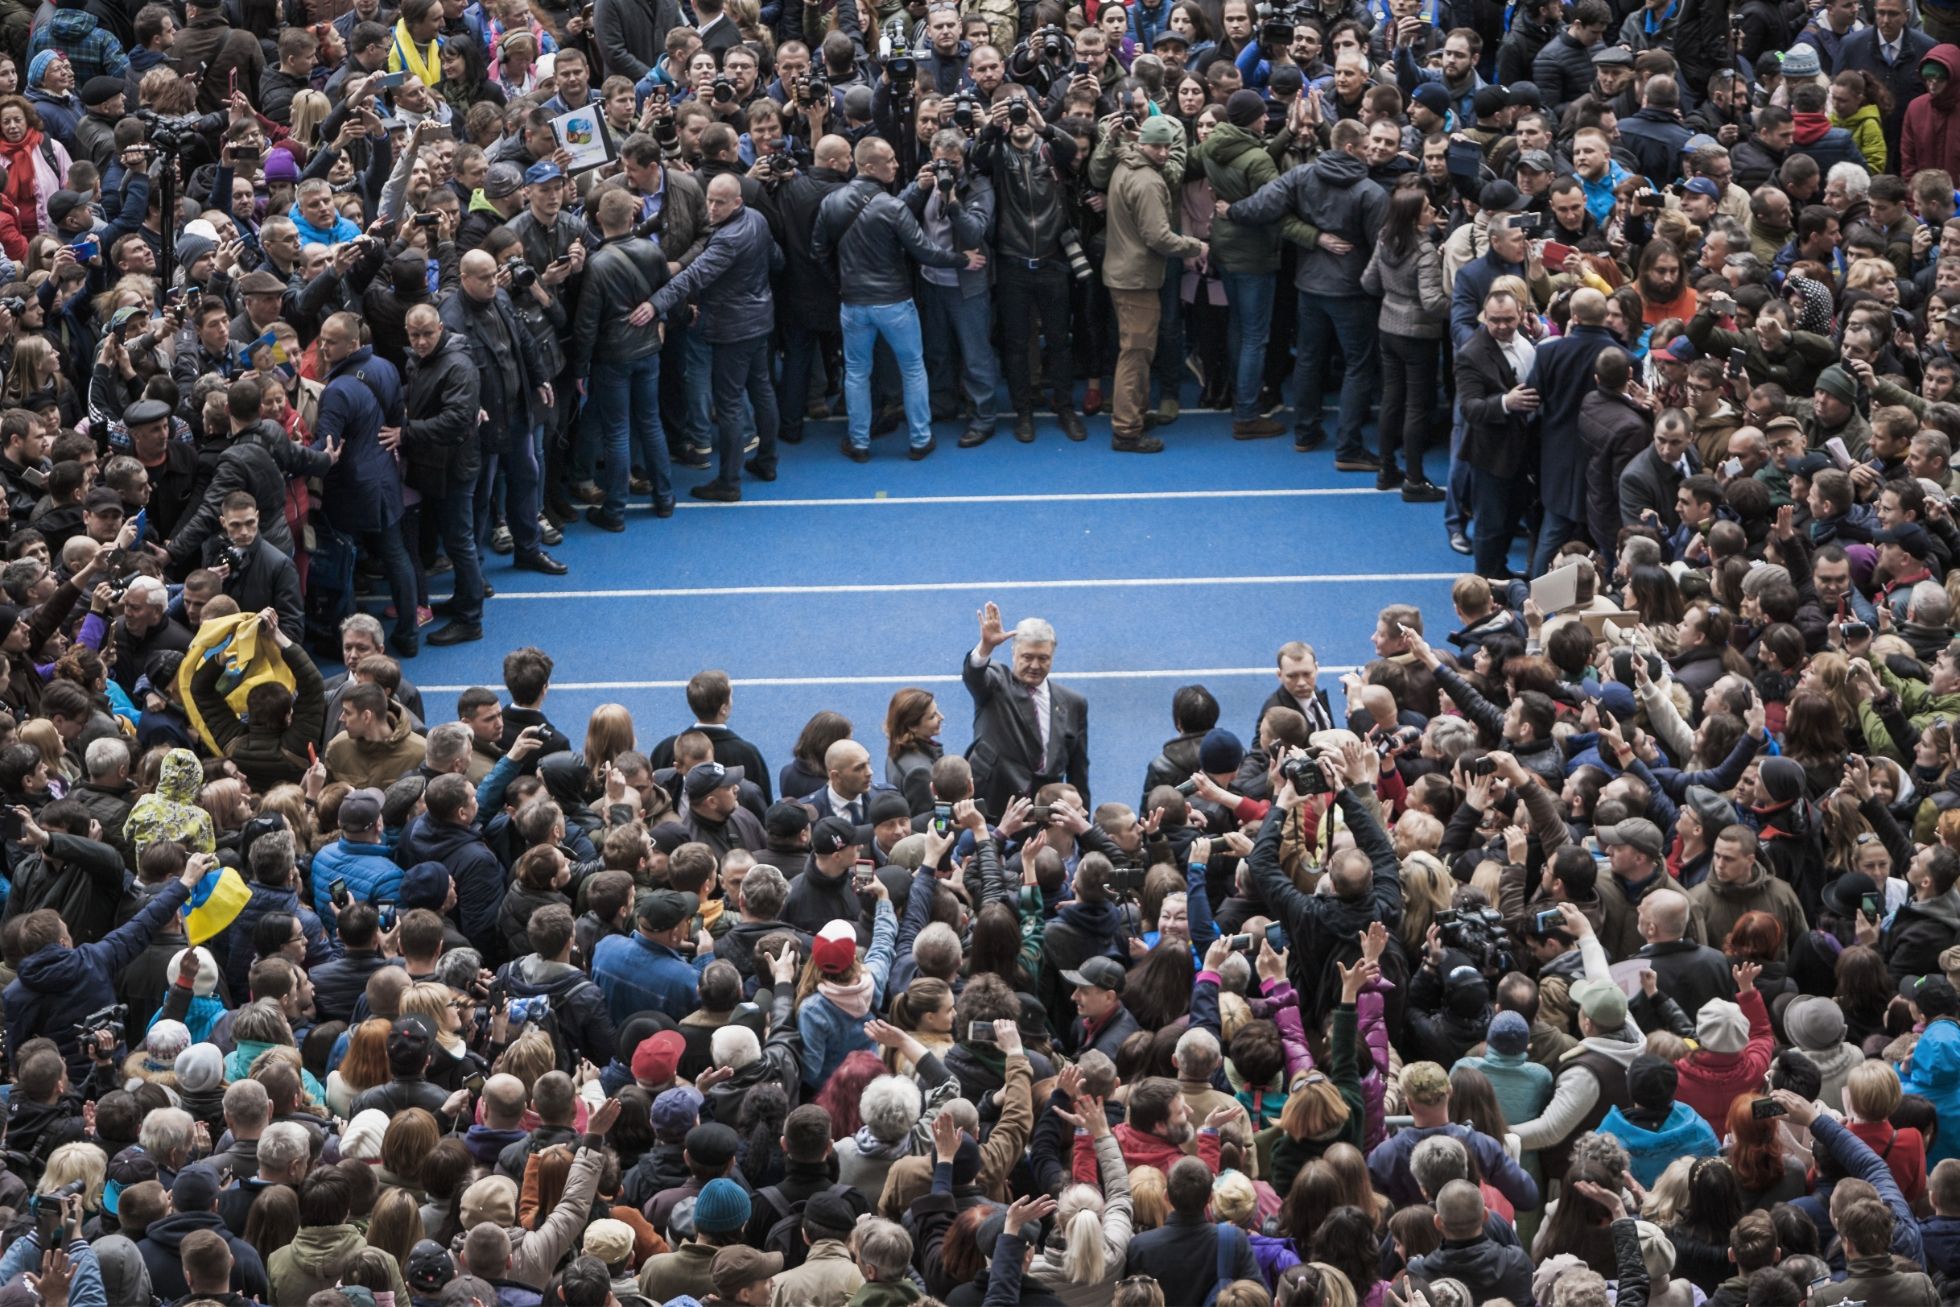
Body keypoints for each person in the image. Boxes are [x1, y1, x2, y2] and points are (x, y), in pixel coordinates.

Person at [961, 602, 1089, 818]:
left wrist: (1083, 825)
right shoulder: (997, 683)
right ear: (1014, 653)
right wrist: (986, 647)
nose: (1035, 666)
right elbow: (974, 675)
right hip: (996, 805)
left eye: (1043, 658)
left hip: (1046, 812)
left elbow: (1078, 772)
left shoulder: (1073, 703)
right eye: (1027, 657)